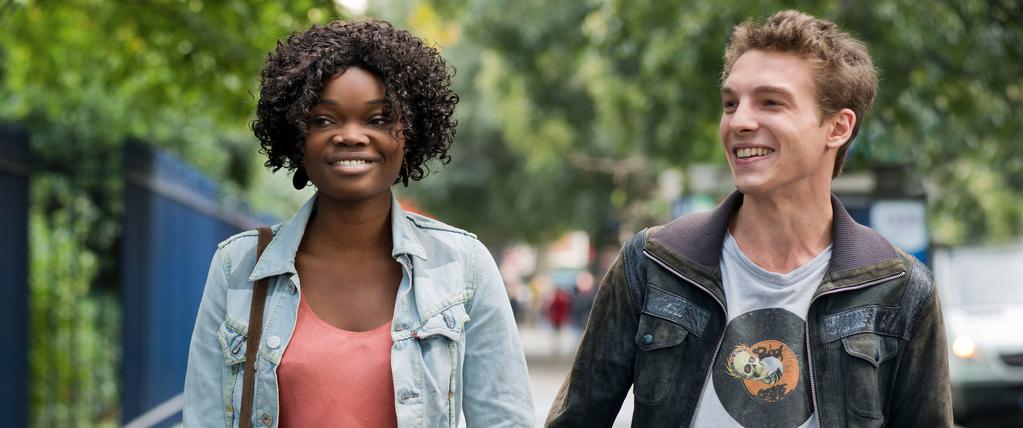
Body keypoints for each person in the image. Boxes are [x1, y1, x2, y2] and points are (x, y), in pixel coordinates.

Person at [546, 10, 952, 427]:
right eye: (730, 103)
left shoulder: (900, 289)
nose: (739, 121)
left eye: (771, 102)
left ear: (837, 127)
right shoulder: (653, 264)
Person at [184, 20, 534, 428]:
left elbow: (505, 421)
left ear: (410, 133)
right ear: (296, 136)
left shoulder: (464, 267)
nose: (351, 136)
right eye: (324, 120)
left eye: (379, 119)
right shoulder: (239, 267)